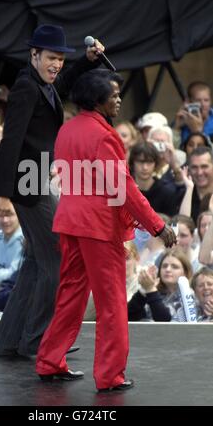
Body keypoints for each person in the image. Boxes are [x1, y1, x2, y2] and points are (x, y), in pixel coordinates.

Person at [35, 69, 176, 392]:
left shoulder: (67, 130)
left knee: (70, 294)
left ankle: (49, 360)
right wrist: (157, 225)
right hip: (98, 227)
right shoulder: (104, 135)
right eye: (113, 95)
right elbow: (124, 188)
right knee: (111, 302)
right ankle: (110, 375)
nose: (118, 100)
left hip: (70, 222)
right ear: (97, 100)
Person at [0, 24, 105, 357]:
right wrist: (1, 194)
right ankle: (37, 340)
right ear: (34, 55)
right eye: (51, 58)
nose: (56, 64)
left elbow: (66, 83)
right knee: (56, 256)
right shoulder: (27, 87)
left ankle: (10, 341)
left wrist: (85, 60)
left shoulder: (43, 84)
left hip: (38, 181)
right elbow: (10, 140)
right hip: (28, 186)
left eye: (60, 58)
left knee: (34, 261)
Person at [128, 248, 193, 322]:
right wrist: (143, 290)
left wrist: (151, 290)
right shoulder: (154, 292)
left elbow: (165, 322)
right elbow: (129, 316)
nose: (168, 269)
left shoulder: (188, 295)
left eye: (174, 267)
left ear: (185, 273)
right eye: (164, 266)